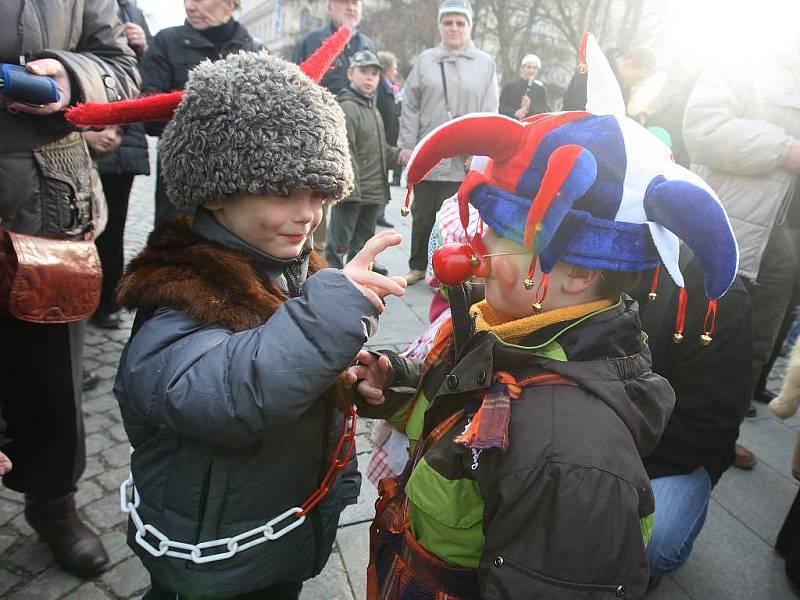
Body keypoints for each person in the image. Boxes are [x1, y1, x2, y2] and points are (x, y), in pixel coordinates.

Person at [349, 35, 739, 598]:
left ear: (577, 274)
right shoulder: (505, 327)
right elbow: (464, 413)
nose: (469, 256)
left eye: (497, 240)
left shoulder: (569, 456)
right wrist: (398, 383)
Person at [72, 45, 408, 598]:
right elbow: (219, 391)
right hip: (215, 548)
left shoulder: (286, 261)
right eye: (281, 193)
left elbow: (285, 364)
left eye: (318, 193)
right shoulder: (181, 285)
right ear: (216, 194)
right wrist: (324, 321)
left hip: (274, 519)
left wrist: (346, 377)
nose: (307, 214)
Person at [0, 0, 139, 578]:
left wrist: (69, 72)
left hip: (44, 205)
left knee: (52, 372)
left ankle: (53, 504)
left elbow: (121, 68)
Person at [683, 38, 800, 457]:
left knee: (757, 345)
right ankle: (658, 423)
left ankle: (721, 437)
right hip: (734, 229)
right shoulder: (746, 58)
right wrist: (785, 150)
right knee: (700, 334)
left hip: (789, 246)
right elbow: (702, 131)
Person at [633, 249, 753, 586]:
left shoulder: (718, 294)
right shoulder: (595, 249)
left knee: (653, 541)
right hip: (593, 428)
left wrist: (609, 462)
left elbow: (706, 424)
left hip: (670, 453)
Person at [397, 0, 498, 286]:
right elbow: (410, 105)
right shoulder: (426, 60)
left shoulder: (485, 63)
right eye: (448, 22)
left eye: (460, 22)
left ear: (469, 27)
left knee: (456, 216)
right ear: (441, 26)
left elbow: (490, 112)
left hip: (464, 158)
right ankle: (417, 265)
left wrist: (480, 152)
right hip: (430, 152)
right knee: (423, 212)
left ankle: (448, 271)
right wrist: (407, 144)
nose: (454, 28)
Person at [138, 0, 260, 229]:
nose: (189, 6)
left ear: (231, 3)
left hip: (238, 183)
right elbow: (149, 113)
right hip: (180, 181)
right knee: (176, 251)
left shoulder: (254, 49)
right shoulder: (166, 42)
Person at [88, 0, 152, 329]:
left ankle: (105, 302)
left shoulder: (134, 12)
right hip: (81, 128)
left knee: (113, 230)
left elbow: (146, 78)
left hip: (123, 141)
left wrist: (142, 46)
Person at [293, 0, 375, 253]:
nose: (351, 7)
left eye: (356, 3)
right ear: (330, 7)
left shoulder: (366, 44)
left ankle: (350, 252)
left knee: (353, 199)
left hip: (358, 135)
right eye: (344, 2)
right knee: (317, 198)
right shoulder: (312, 41)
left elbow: (376, 94)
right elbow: (296, 83)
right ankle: (312, 252)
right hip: (320, 134)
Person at [325, 50, 398, 274]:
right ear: (350, 73)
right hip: (353, 193)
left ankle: (360, 275)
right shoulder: (347, 107)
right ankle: (331, 280)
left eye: (374, 73)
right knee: (339, 245)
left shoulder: (372, 108)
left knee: (363, 244)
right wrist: (349, 190)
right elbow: (346, 152)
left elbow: (380, 151)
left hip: (372, 191)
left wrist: (400, 155)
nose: (369, 77)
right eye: (364, 72)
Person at [562, 45, 656, 112]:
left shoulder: (625, 90)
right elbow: (573, 105)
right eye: (638, 77)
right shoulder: (594, 69)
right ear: (630, 63)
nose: (636, 83)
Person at [376, 50, 402, 224]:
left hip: (388, 141)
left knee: (383, 178)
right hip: (382, 141)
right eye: (394, 68)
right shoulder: (380, 88)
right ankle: (378, 214)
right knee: (380, 179)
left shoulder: (387, 88)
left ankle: (379, 214)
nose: (396, 72)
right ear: (386, 69)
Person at [499, 53, 549, 119]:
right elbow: (501, 107)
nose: (531, 70)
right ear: (522, 69)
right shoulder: (510, 86)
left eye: (534, 68)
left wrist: (529, 106)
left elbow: (543, 112)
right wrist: (514, 113)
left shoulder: (540, 90)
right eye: (528, 67)